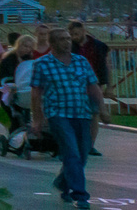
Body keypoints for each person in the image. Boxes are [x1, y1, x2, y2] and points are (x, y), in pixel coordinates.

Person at [29, 27, 103, 207]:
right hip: (58, 114)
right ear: (52, 43)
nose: (67, 42)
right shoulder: (42, 64)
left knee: (83, 154)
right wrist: (37, 120)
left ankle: (63, 182)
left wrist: (102, 109)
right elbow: (35, 94)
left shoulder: (81, 61)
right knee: (71, 152)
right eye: (62, 39)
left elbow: (93, 86)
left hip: (82, 113)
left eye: (68, 39)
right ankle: (80, 195)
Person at [68, 21, 112, 156]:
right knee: (75, 114)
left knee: (94, 114)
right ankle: (75, 143)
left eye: (77, 33)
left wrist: (109, 86)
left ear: (83, 30)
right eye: (72, 34)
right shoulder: (70, 47)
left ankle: (90, 145)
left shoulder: (98, 46)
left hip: (94, 83)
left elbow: (106, 65)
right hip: (75, 85)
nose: (75, 37)